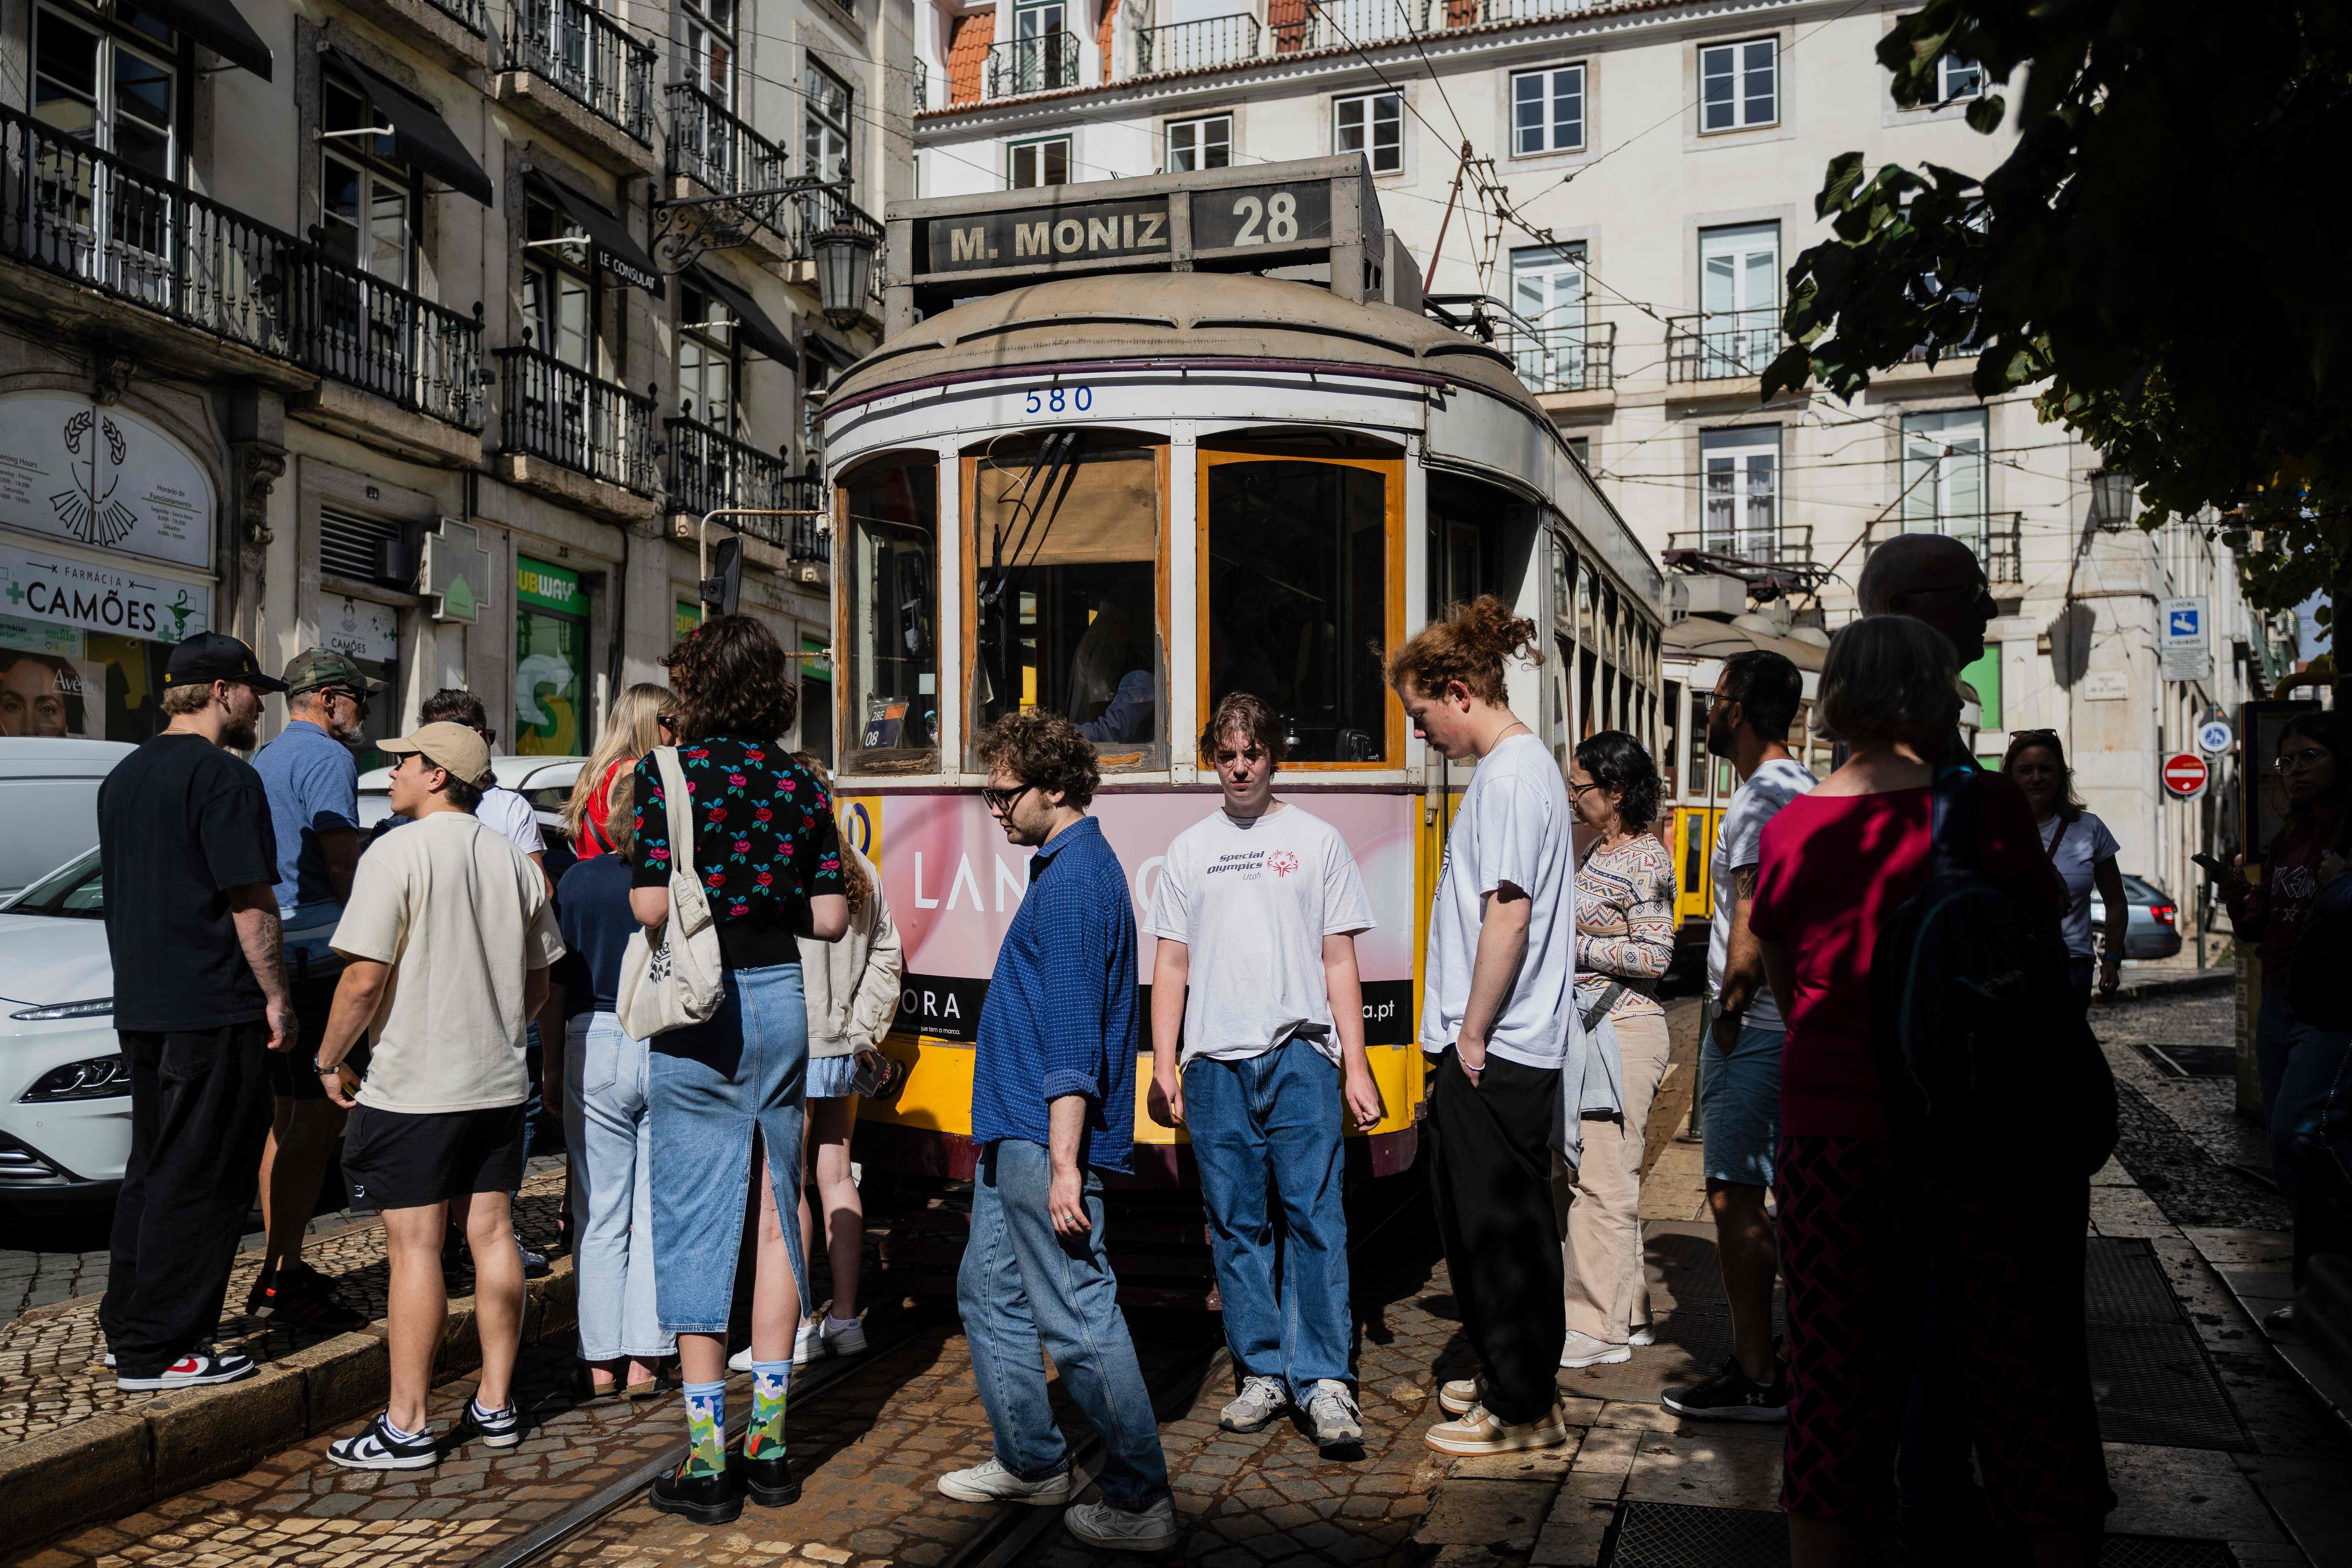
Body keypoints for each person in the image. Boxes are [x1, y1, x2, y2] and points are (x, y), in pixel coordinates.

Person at [1747, 616, 2109, 1568]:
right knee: (2022, 1384)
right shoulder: (1981, 810)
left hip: (1833, 1140)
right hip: (1982, 1136)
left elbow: (1791, 996)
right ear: (1932, 695)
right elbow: (2035, 938)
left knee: (1833, 1388)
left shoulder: (1788, 829)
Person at [938, 710, 1177, 1553]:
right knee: (989, 1289)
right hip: (1016, 1131)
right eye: (987, 791)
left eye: (1003, 794)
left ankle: (1140, 1496)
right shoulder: (1061, 866)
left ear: (1057, 788)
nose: (992, 808)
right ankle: (1033, 1459)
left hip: (1044, 1142)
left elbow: (1074, 1041)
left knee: (1078, 1313)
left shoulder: (1076, 880)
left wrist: (1066, 1165)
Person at [629, 616, 847, 1525]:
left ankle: (708, 1458)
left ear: (695, 685)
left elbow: (648, 901)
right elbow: (832, 920)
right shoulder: (801, 781)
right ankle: (771, 1443)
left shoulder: (668, 774)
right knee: (774, 1208)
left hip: (701, 1009)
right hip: (781, 1001)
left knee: (692, 1214)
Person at [312, 721, 562, 1468]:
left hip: (415, 1084)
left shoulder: (395, 852)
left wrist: (329, 1057)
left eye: (403, 764)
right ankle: (495, 1402)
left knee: (415, 1247)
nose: (391, 774)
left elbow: (362, 979)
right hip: (494, 1080)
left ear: (435, 775)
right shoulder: (513, 860)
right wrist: (498, 1028)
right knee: (492, 1235)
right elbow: (541, 978)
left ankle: (408, 1423)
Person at [1146, 692, 1384, 1454]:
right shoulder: (1187, 849)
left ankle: (1324, 1382)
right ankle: (1262, 1373)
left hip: (1299, 1058)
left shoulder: (1317, 841)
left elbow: (1339, 959)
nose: (1240, 767)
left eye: (1251, 753)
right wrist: (1164, 1060)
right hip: (1213, 1064)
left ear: (1272, 754)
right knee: (1235, 1224)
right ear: (1212, 760)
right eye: (1226, 755)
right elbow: (1170, 965)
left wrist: (1356, 1064)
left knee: (1315, 1218)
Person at [1388, 596, 1577, 1457]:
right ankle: (1515, 1370)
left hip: (1493, 1049)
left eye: (1419, 714)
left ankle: (1519, 1400)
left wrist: (1468, 1033)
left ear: (1456, 692)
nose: (1418, 732)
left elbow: (1506, 916)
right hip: (1505, 1043)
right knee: (1501, 1223)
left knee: (1496, 1229)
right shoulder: (1525, 767)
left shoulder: (1505, 777)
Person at [97, 633, 293, 1391]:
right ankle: (165, 1348)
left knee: (152, 1165)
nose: (258, 706)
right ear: (221, 692)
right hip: (213, 1003)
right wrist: (276, 997)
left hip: (144, 1001)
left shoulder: (124, 775)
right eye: (254, 693)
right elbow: (250, 902)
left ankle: (130, 1326)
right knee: (204, 1173)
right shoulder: (224, 778)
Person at [1663, 649, 1811, 1423]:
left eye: (1718, 699)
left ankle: (1757, 1375)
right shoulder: (1805, 785)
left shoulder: (1759, 799)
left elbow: (1754, 916)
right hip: (1790, 1026)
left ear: (1743, 708)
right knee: (1796, 1197)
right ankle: (1799, 1361)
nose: (1710, 713)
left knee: (1734, 1197)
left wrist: (1725, 1012)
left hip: (1753, 1028)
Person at [247, 649, 381, 1331]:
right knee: (322, 1111)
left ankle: (280, 1262)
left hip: (281, 954)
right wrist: (371, 938)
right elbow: (340, 858)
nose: (364, 712)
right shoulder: (328, 758)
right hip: (316, 960)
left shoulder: (269, 755)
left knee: (287, 1116)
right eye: (361, 698)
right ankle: (284, 1272)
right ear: (329, 699)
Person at [416, 687, 554, 1280]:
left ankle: (483, 1227)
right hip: (447, 995)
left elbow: (539, 894)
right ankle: (452, 1235)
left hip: (495, 991)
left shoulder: (507, 807)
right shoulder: (417, 808)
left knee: (503, 1117)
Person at [2221, 713, 2351, 1329]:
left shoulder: (2346, 831)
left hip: (2333, 1002)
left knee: (2305, 1136)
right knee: (2285, 1150)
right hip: (2280, 999)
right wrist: (2234, 895)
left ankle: (2330, 1283)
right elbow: (2259, 925)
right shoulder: (2287, 837)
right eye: (2287, 760)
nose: (2295, 770)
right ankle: (2312, 1290)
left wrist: (2342, 885)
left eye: (2310, 757)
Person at [553, 769, 675, 1401]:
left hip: (592, 1035)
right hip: (665, 1038)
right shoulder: (676, 881)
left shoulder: (576, 881)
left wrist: (549, 1065)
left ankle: (598, 1361)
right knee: (654, 1213)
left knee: (598, 1210)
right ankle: (646, 1360)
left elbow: (555, 982)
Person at [1557, 732, 1675, 1370]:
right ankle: (1630, 1315)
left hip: (1623, 1031)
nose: (1574, 797)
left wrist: (1573, 951)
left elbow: (1655, 956)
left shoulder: (1647, 861)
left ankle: (1597, 1326)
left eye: (1582, 786)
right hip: (1596, 1031)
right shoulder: (1599, 849)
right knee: (1602, 1174)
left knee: (1602, 1180)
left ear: (1617, 790)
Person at [789, 750, 901, 1364]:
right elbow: (888, 955)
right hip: (842, 1050)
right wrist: (861, 1031)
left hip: (796, 1045)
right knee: (836, 1175)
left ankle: (798, 1321)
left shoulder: (791, 866)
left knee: (789, 1186)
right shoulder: (858, 866)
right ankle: (845, 1317)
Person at [2004, 730, 2127, 1003]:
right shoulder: (1994, 829)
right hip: (2009, 964)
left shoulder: (2090, 828)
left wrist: (2111, 959)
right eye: (2026, 770)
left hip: (2072, 966)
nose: (2037, 778)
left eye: (2046, 769)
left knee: (2065, 1046)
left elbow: (2117, 902)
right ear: (2011, 776)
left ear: (2061, 775)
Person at [564, 683, 674, 860]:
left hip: (588, 878)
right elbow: (652, 842)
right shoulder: (637, 771)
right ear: (649, 722)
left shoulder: (592, 771)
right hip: (622, 881)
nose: (677, 733)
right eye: (673, 722)